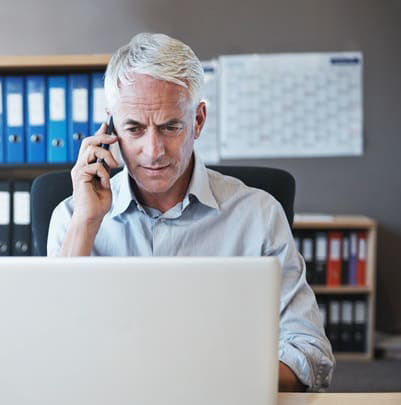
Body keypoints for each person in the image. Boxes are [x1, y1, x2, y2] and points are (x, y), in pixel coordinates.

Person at [47, 33, 335, 392]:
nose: (153, 151)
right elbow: (50, 350)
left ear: (198, 121)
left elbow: (308, 353)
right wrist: (87, 223)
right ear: (111, 128)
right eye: (134, 128)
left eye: (170, 127)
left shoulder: (258, 215)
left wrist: (207, 382)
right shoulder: (74, 215)